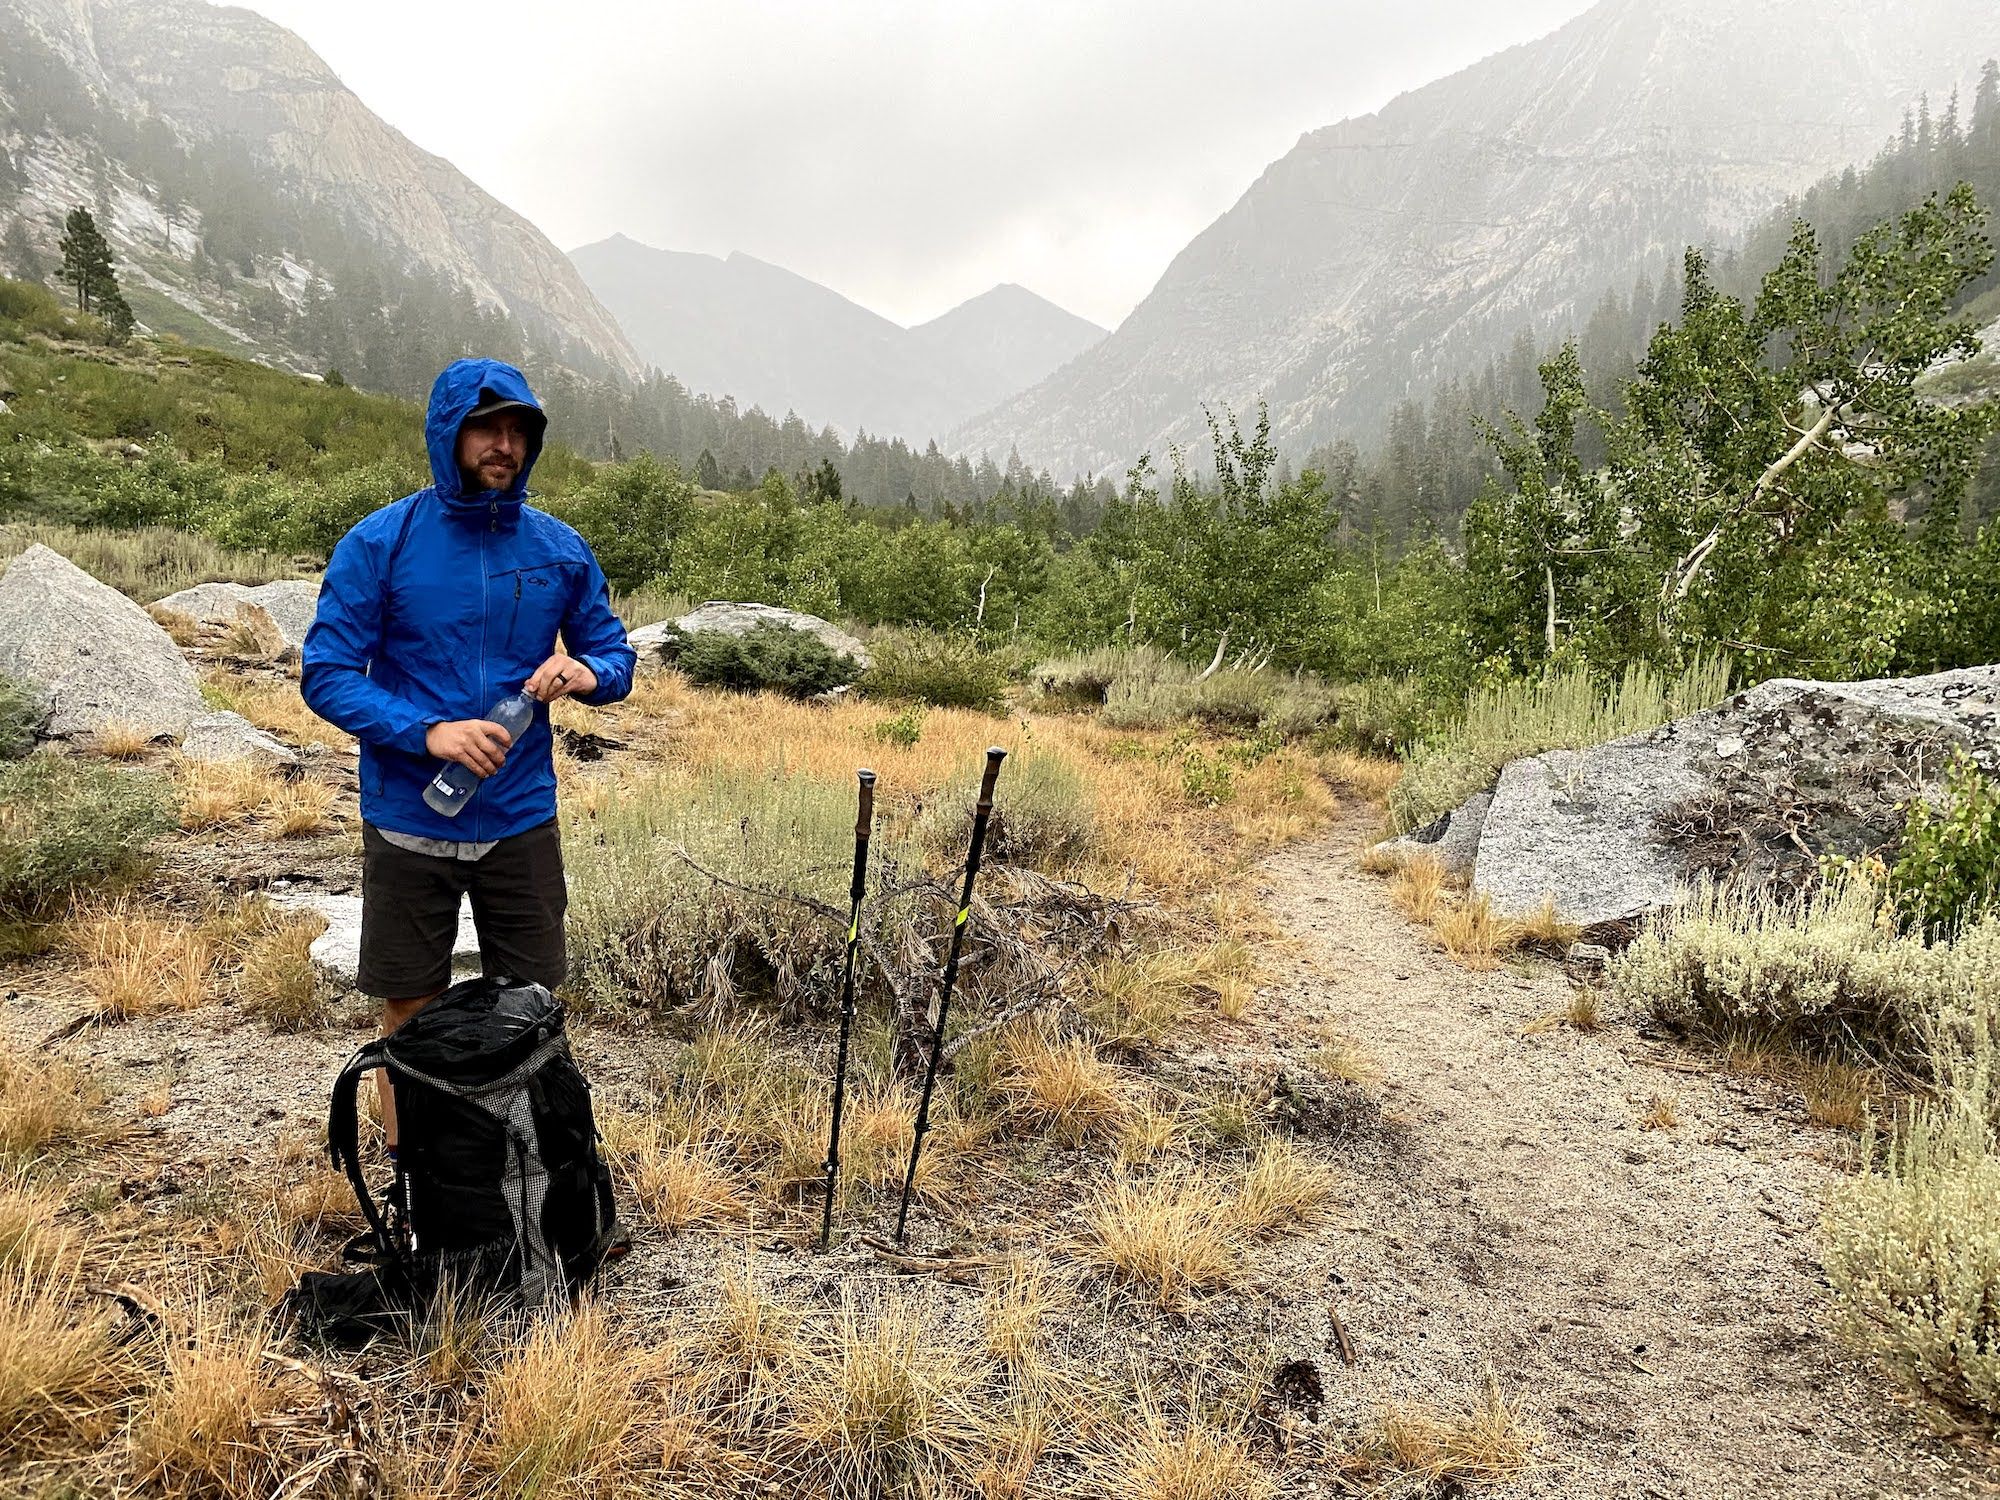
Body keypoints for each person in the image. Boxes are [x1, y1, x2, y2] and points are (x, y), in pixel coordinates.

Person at [302, 357, 636, 1150]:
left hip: (520, 816)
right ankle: (416, 1179)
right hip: (410, 816)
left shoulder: (559, 548)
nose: (504, 444)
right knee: (410, 1003)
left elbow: (615, 655)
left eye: (519, 430)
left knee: (530, 1002)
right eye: (487, 427)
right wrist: (428, 733)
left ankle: (529, 1175)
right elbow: (326, 674)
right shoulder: (382, 542)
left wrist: (587, 671)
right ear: (448, 433)